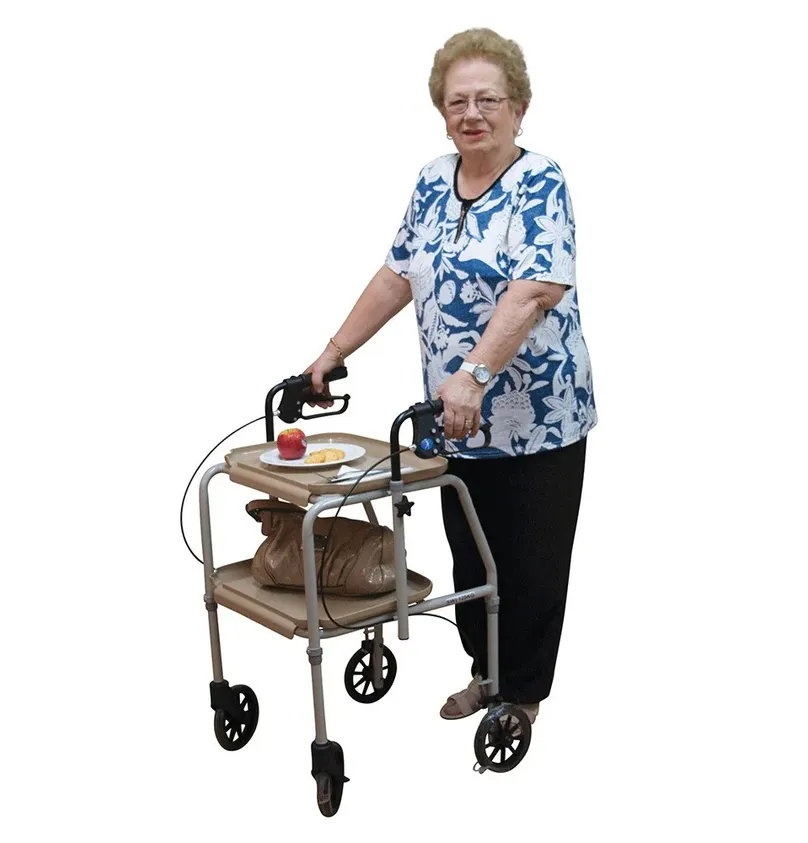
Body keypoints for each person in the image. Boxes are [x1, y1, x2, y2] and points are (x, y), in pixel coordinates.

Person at [305, 28, 596, 725]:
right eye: (457, 101)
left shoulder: (540, 181)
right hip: (456, 421)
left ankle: (519, 697)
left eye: (488, 99)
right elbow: (396, 272)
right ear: (441, 111)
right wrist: (333, 350)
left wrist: (472, 373)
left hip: (538, 417)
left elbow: (534, 290)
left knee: (529, 566)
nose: (473, 113)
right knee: (473, 561)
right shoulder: (434, 180)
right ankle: (484, 672)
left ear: (520, 107)